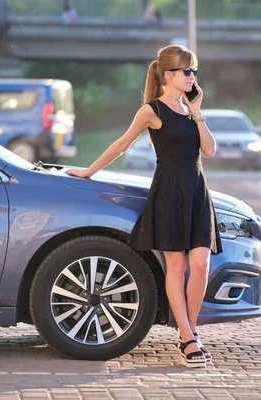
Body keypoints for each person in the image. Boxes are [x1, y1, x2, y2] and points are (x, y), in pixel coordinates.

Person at [65, 45, 221, 368]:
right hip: (168, 192)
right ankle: (189, 338)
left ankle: (188, 332)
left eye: (194, 71)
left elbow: (209, 150)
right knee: (176, 267)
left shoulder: (191, 110)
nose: (192, 77)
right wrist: (88, 171)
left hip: (196, 191)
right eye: (186, 71)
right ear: (168, 75)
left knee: (201, 265)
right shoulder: (152, 111)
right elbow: (122, 144)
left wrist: (198, 111)